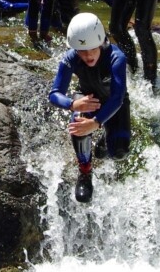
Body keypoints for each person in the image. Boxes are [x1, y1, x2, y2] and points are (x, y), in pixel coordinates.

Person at [49, 12, 130, 203]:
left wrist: (96, 122)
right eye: (81, 51)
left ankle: (103, 141)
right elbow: (54, 94)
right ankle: (85, 173)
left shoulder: (116, 58)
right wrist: (72, 104)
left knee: (119, 152)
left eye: (92, 49)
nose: (87, 55)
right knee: (78, 126)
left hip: (114, 103)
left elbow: (118, 97)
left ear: (101, 42)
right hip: (86, 98)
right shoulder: (71, 57)